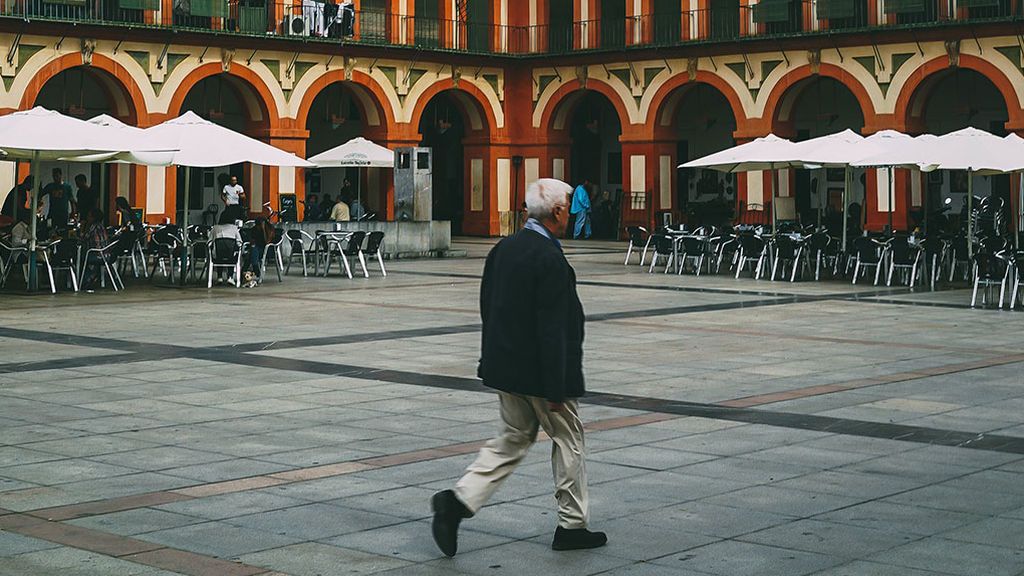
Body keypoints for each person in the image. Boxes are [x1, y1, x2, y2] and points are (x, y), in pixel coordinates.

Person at [430, 178, 606, 557]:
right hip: (542, 376)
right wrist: (557, 387)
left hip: (507, 368)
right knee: (569, 441)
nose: (570, 213)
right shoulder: (550, 259)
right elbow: (555, 329)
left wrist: (490, 360)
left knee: (512, 438)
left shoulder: (503, 249)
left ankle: (456, 502)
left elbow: (487, 307)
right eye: (568, 207)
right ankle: (572, 525)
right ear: (558, 212)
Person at [80, 208, 109, 291]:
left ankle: (86, 280)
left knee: (80, 259)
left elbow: (84, 239)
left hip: (98, 255)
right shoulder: (101, 226)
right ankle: (93, 276)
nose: (87, 218)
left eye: (89, 216)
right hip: (106, 254)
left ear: (93, 218)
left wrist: (82, 228)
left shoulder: (93, 227)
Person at [211, 220, 243, 285]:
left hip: (217, 257)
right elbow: (240, 242)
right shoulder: (234, 228)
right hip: (231, 257)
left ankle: (219, 277)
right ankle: (230, 277)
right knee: (233, 253)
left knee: (218, 253)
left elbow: (209, 241)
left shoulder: (215, 228)